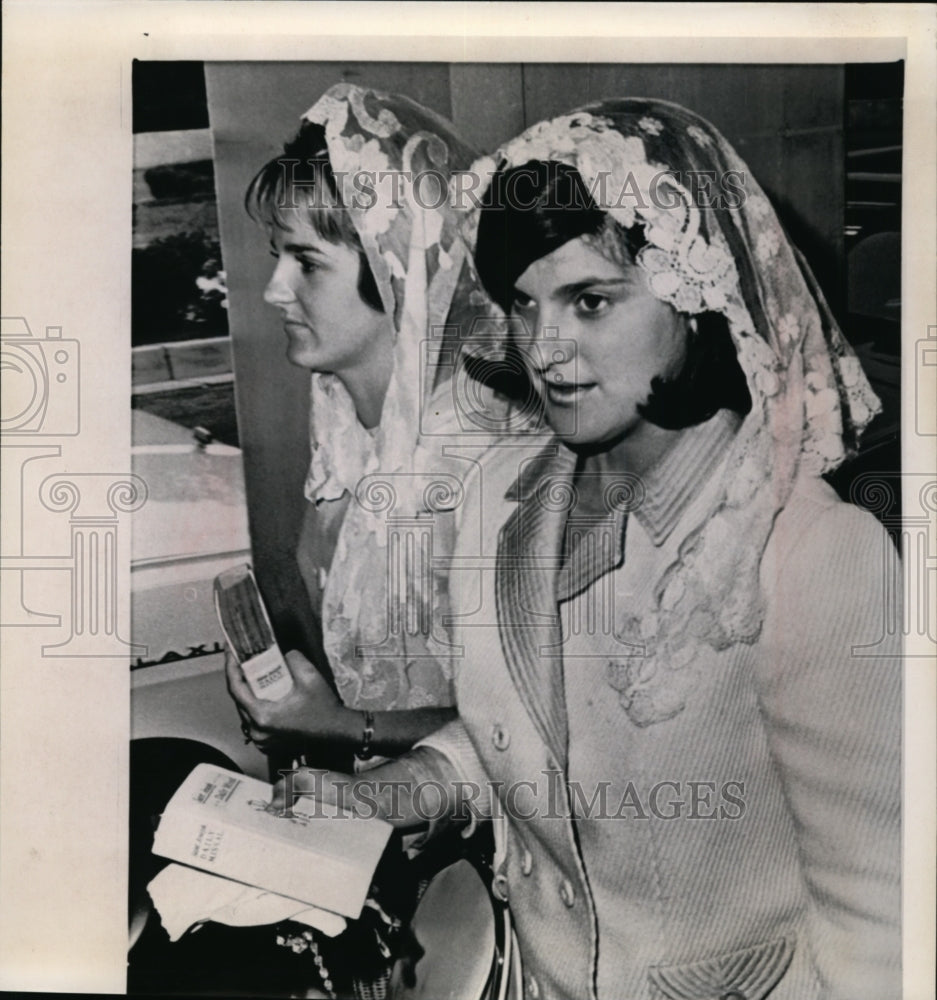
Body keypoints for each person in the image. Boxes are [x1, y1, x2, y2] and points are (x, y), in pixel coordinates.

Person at [278, 99, 902, 1000]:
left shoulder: (807, 553)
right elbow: (535, 729)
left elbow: (881, 925)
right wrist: (411, 783)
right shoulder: (499, 491)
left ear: (697, 295)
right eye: (524, 306)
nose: (545, 349)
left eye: (591, 301)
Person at [227, 82, 520, 763]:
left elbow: (521, 733)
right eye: (279, 254)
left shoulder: (481, 465)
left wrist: (336, 728)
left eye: (306, 262)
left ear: (395, 275)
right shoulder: (342, 420)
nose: (275, 289)